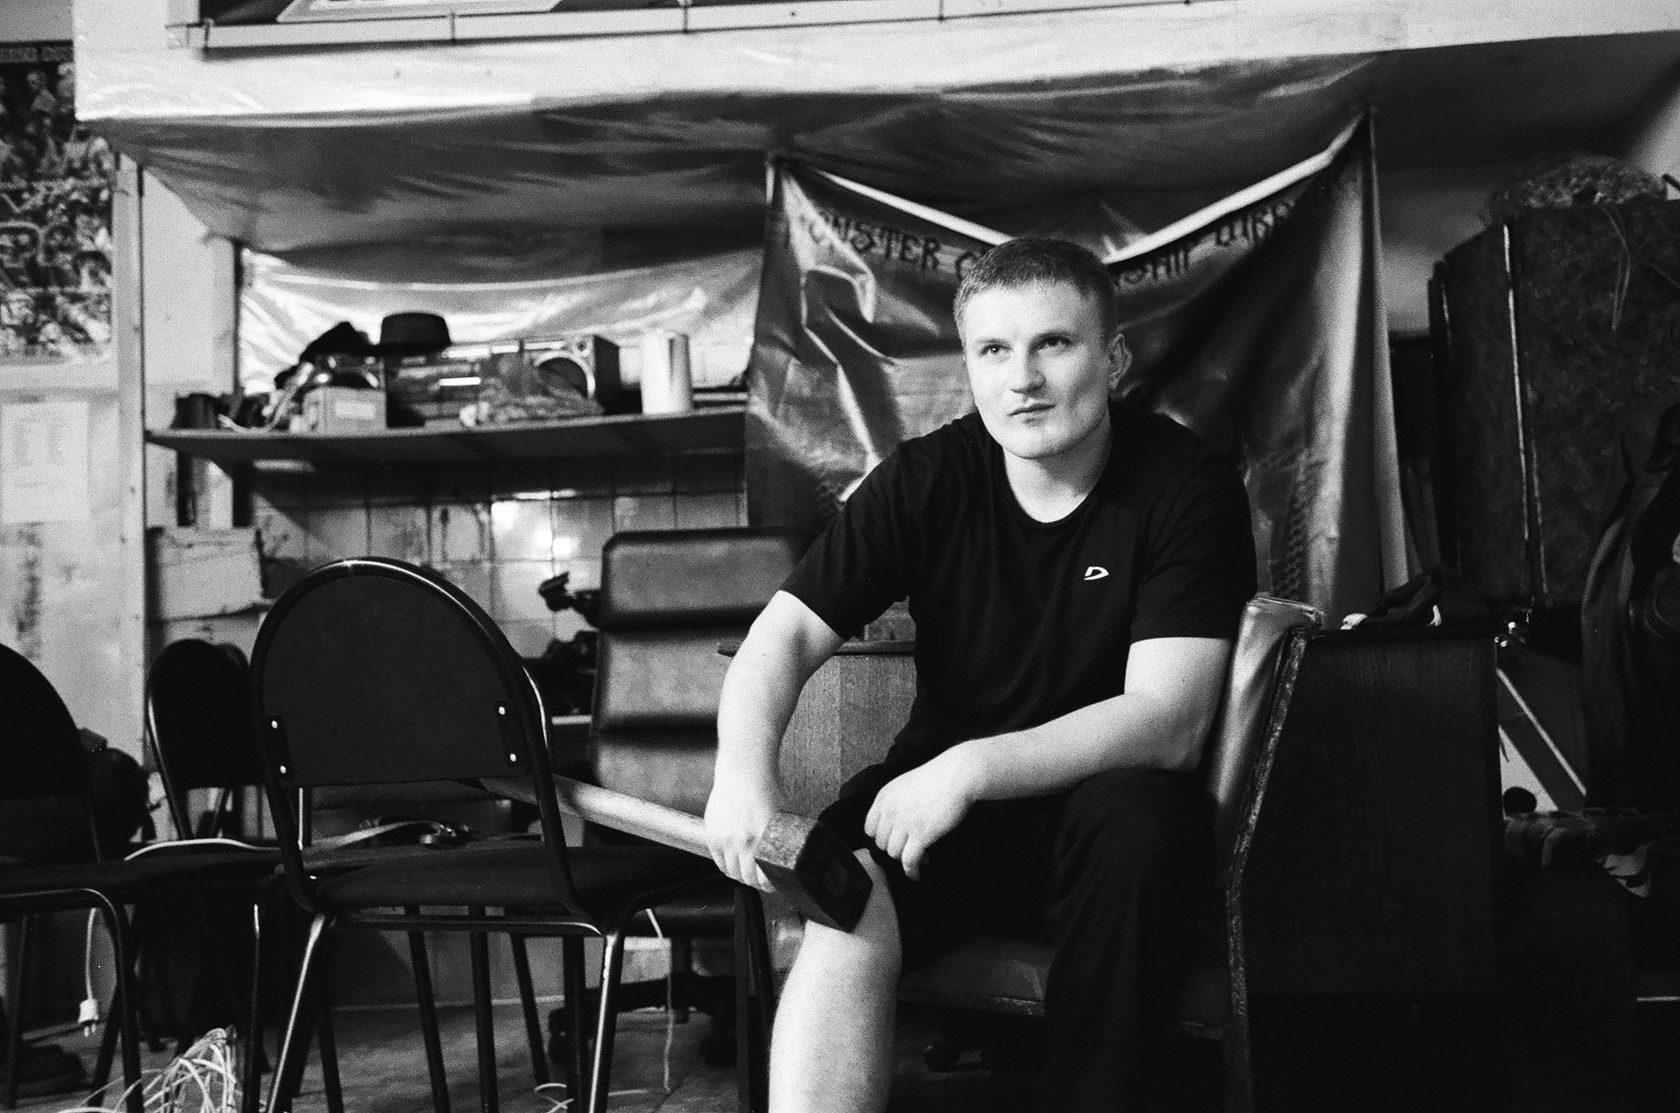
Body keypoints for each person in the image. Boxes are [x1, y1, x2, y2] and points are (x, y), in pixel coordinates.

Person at [705, 236, 1257, 1111]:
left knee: (1141, 828)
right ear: (970, 366)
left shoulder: (1186, 486)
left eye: (1053, 343)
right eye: (994, 350)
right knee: (844, 886)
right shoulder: (926, 479)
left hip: (1099, 814)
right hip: (939, 819)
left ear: (1113, 359)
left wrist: (973, 766)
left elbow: (1170, 717)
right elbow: (782, 637)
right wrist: (741, 775)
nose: (1022, 378)